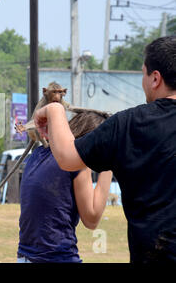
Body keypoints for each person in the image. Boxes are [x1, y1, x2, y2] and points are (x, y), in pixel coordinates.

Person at [33, 36, 176, 263]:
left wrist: (54, 112)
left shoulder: (128, 124)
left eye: (143, 74)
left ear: (155, 78)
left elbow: (67, 157)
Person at [16, 111, 112, 263]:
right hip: (56, 258)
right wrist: (109, 163)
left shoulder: (37, 155)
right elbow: (91, 219)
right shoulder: (77, 162)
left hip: (24, 257)